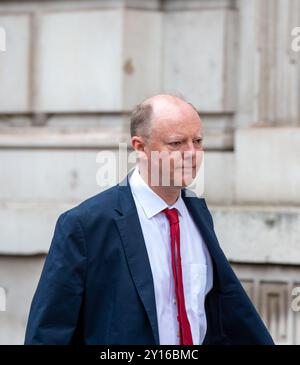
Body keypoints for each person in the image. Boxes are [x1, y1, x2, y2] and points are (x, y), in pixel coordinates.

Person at [25, 95, 274, 345]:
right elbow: (48, 333)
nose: (191, 154)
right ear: (140, 147)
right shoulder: (85, 225)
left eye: (197, 141)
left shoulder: (197, 214)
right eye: (176, 143)